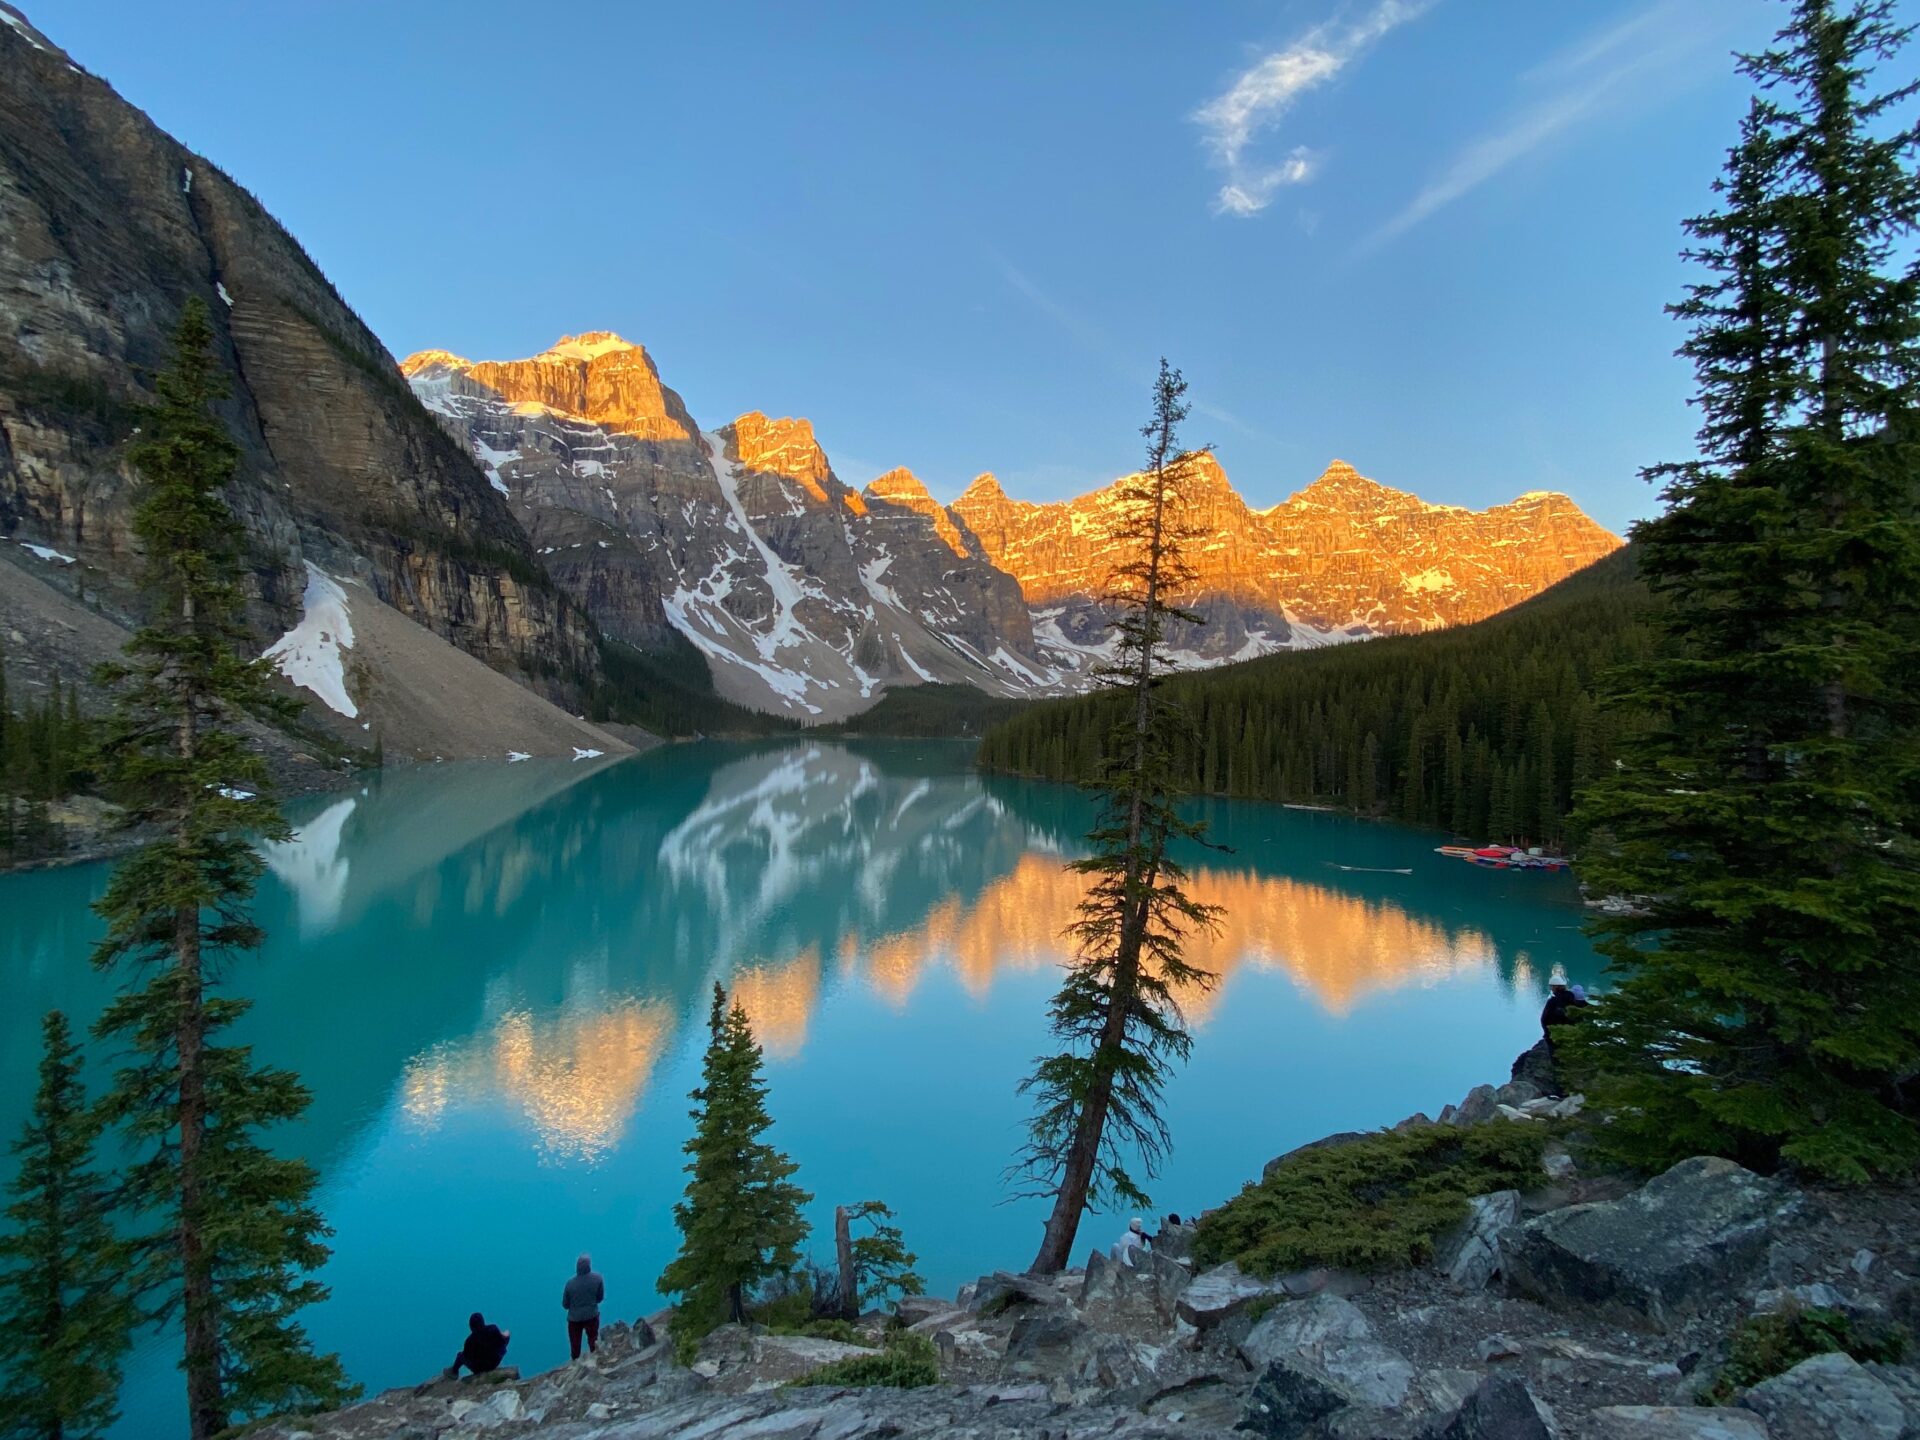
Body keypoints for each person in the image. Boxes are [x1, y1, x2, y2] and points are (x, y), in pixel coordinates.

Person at [562, 1253, 605, 1360]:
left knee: (575, 1348)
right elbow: (599, 1298)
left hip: (574, 1319)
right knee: (593, 1341)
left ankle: (576, 1366)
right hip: (591, 1315)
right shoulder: (597, 1279)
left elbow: (565, 1305)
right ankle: (596, 1361)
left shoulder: (570, 1284)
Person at [446, 1312, 510, 1379]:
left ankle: (454, 1372)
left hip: (479, 1369)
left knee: (460, 1356)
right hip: (494, 1363)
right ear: (483, 1322)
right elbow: (504, 1337)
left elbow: (466, 1357)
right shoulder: (493, 1329)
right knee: (505, 1336)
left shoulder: (469, 1341)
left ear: (471, 1326)